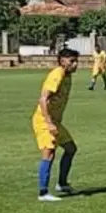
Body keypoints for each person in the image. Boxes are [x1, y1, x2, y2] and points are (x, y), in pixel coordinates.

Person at [32, 48, 81, 202]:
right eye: (72, 61)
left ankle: (62, 184)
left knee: (70, 148)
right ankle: (43, 193)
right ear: (62, 61)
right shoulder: (57, 74)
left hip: (55, 121)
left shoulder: (67, 76)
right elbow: (43, 99)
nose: (76, 64)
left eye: (76, 61)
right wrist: (48, 122)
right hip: (44, 120)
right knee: (49, 153)